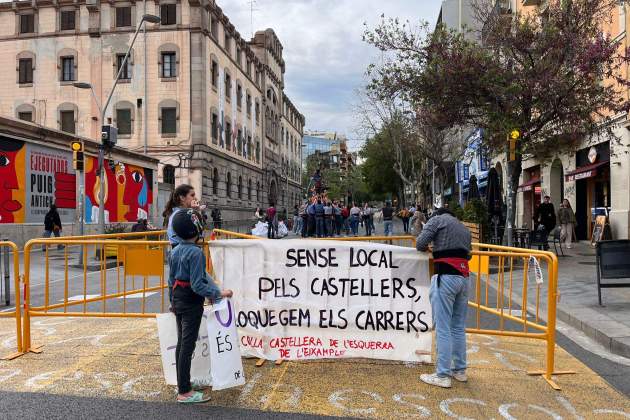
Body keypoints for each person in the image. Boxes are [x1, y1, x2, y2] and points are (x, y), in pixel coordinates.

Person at [168, 209, 233, 403]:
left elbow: (170, 281)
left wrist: (172, 302)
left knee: (182, 343)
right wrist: (218, 293)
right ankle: (184, 391)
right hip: (191, 303)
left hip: (179, 300)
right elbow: (198, 283)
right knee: (187, 346)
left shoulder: (175, 250)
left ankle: (183, 382)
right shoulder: (196, 253)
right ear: (197, 230)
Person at [416, 207, 472, 389]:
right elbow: (468, 254)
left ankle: (442, 375)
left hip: (445, 277)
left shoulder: (436, 221)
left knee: (442, 327)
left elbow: (420, 243)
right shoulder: (463, 228)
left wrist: (429, 248)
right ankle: (460, 371)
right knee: (458, 327)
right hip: (464, 278)